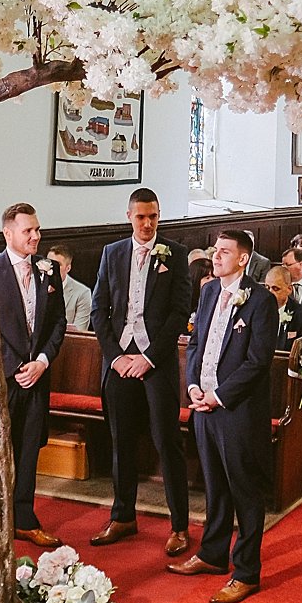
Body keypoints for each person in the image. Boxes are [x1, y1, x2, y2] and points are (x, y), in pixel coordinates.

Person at [169, 230, 280, 603]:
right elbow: (197, 343)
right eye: (216, 251)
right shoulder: (208, 292)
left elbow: (258, 361)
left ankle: (246, 572)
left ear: (243, 258)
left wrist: (218, 396)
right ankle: (213, 554)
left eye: (224, 252)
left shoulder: (261, 301)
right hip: (203, 406)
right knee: (214, 485)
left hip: (237, 411)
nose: (216, 257)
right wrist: (193, 386)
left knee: (244, 491)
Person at [88, 188, 193, 556]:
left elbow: (179, 313)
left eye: (153, 217)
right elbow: (99, 310)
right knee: (121, 441)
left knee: (167, 441)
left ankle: (179, 526)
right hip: (119, 361)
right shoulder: (112, 253)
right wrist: (115, 357)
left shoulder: (175, 254)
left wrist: (148, 357)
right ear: (129, 216)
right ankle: (123, 516)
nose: (147, 224)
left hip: (156, 362)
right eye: (141, 217)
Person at [0, 203, 67, 562]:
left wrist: (41, 362)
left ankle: (24, 519)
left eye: (37, 229)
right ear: (8, 233)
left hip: (37, 377)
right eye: (28, 231)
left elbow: (58, 322)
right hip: (2, 379)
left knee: (28, 452)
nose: (36, 236)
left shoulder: (48, 269)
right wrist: (14, 367)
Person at [265, 265, 302, 348]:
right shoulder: (257, 311)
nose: (270, 293)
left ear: (289, 289)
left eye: (275, 289)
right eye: (267, 288)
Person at [46, 244, 91, 331]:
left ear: (68, 268)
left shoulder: (82, 293)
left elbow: (79, 331)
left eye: (57, 264)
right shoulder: (35, 285)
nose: (52, 268)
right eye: (49, 263)